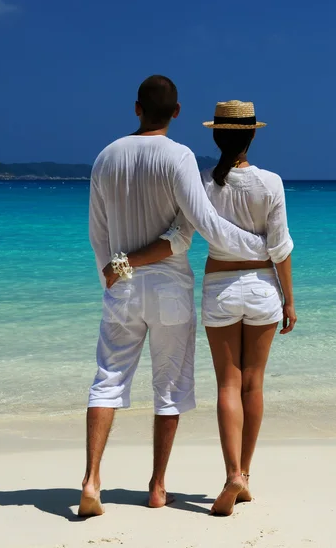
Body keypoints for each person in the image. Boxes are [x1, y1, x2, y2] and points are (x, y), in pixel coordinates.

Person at [80, 79, 272, 517]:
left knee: (107, 380)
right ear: (178, 111)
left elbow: (97, 233)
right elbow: (198, 226)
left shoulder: (106, 156)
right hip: (169, 290)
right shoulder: (179, 156)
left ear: (136, 109)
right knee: (168, 389)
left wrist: (111, 273)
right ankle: (158, 486)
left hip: (121, 287)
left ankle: (91, 479)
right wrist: (264, 250)